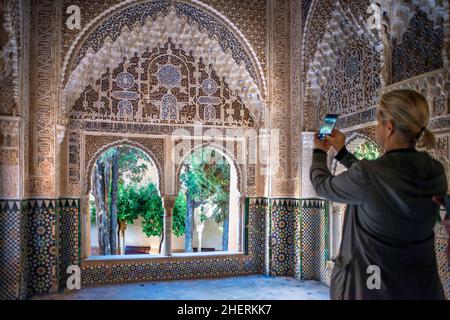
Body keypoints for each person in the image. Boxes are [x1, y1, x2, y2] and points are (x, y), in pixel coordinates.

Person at [310, 89, 448, 300]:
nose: (377, 128)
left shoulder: (368, 177)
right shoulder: (436, 171)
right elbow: (380, 184)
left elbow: (322, 186)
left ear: (389, 127)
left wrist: (319, 151)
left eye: (378, 123)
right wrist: (342, 154)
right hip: (421, 286)